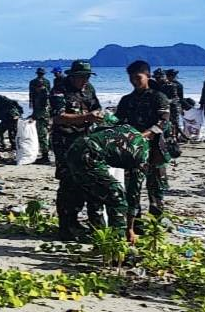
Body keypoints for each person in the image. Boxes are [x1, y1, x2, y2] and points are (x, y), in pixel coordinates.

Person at [68, 124, 152, 244]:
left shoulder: (133, 132)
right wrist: (129, 229)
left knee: (96, 195)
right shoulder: (143, 154)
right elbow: (133, 194)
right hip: (90, 155)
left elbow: (101, 129)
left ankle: (99, 239)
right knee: (117, 196)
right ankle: (116, 244)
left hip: (75, 147)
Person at [115, 60, 172, 232]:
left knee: (156, 187)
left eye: (138, 77)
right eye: (131, 78)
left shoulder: (158, 97)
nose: (135, 81)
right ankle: (136, 223)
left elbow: (164, 122)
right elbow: (119, 121)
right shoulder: (126, 100)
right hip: (133, 150)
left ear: (147, 76)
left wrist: (144, 135)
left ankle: (157, 221)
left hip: (155, 149)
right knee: (132, 187)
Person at [51, 60, 105, 239]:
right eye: (81, 77)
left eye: (87, 77)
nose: (84, 81)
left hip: (85, 140)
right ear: (72, 76)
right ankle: (65, 224)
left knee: (84, 180)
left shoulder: (89, 89)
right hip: (65, 141)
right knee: (68, 182)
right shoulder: (60, 89)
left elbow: (96, 107)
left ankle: (75, 221)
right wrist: (86, 117)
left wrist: (99, 115)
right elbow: (58, 117)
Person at [28, 67, 52, 164]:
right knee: (47, 133)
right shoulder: (47, 82)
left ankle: (45, 156)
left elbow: (31, 95)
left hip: (41, 112)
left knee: (41, 134)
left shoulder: (33, 82)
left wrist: (32, 106)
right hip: (45, 111)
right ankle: (47, 153)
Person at [163, 69, 185, 142]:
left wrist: (181, 108)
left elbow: (180, 98)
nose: (168, 77)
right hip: (168, 105)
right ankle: (171, 136)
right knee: (169, 122)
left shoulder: (178, 85)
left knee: (175, 122)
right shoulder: (164, 85)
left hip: (175, 106)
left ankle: (176, 137)